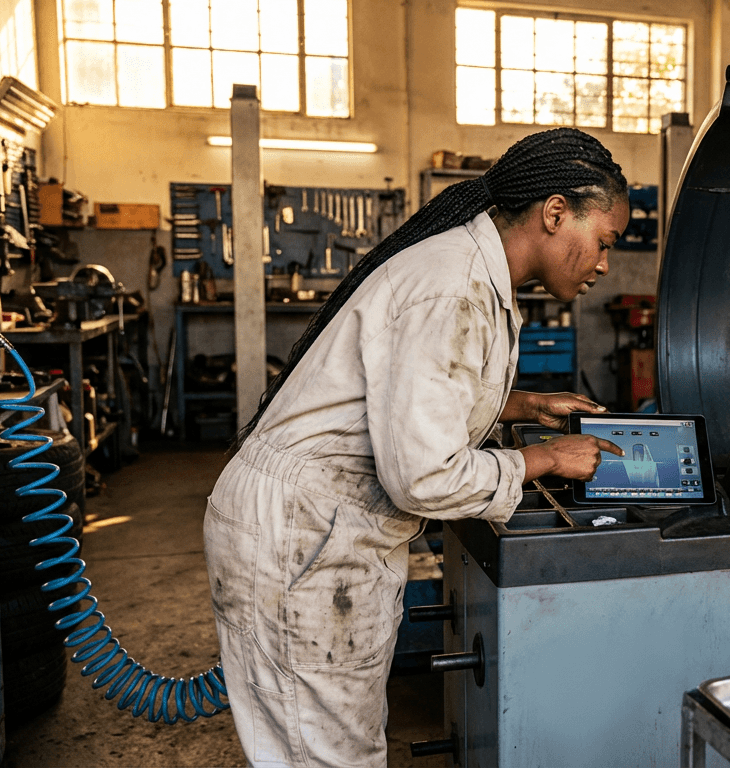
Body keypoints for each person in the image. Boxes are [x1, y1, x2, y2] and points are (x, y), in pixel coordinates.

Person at [203, 128, 629, 767]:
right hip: (303, 534)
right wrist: (544, 458)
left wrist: (516, 406)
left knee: (329, 747)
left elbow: (406, 396)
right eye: (604, 242)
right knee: (328, 757)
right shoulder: (451, 285)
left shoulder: (468, 272)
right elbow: (424, 476)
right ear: (555, 213)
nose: (604, 264)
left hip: (315, 526)